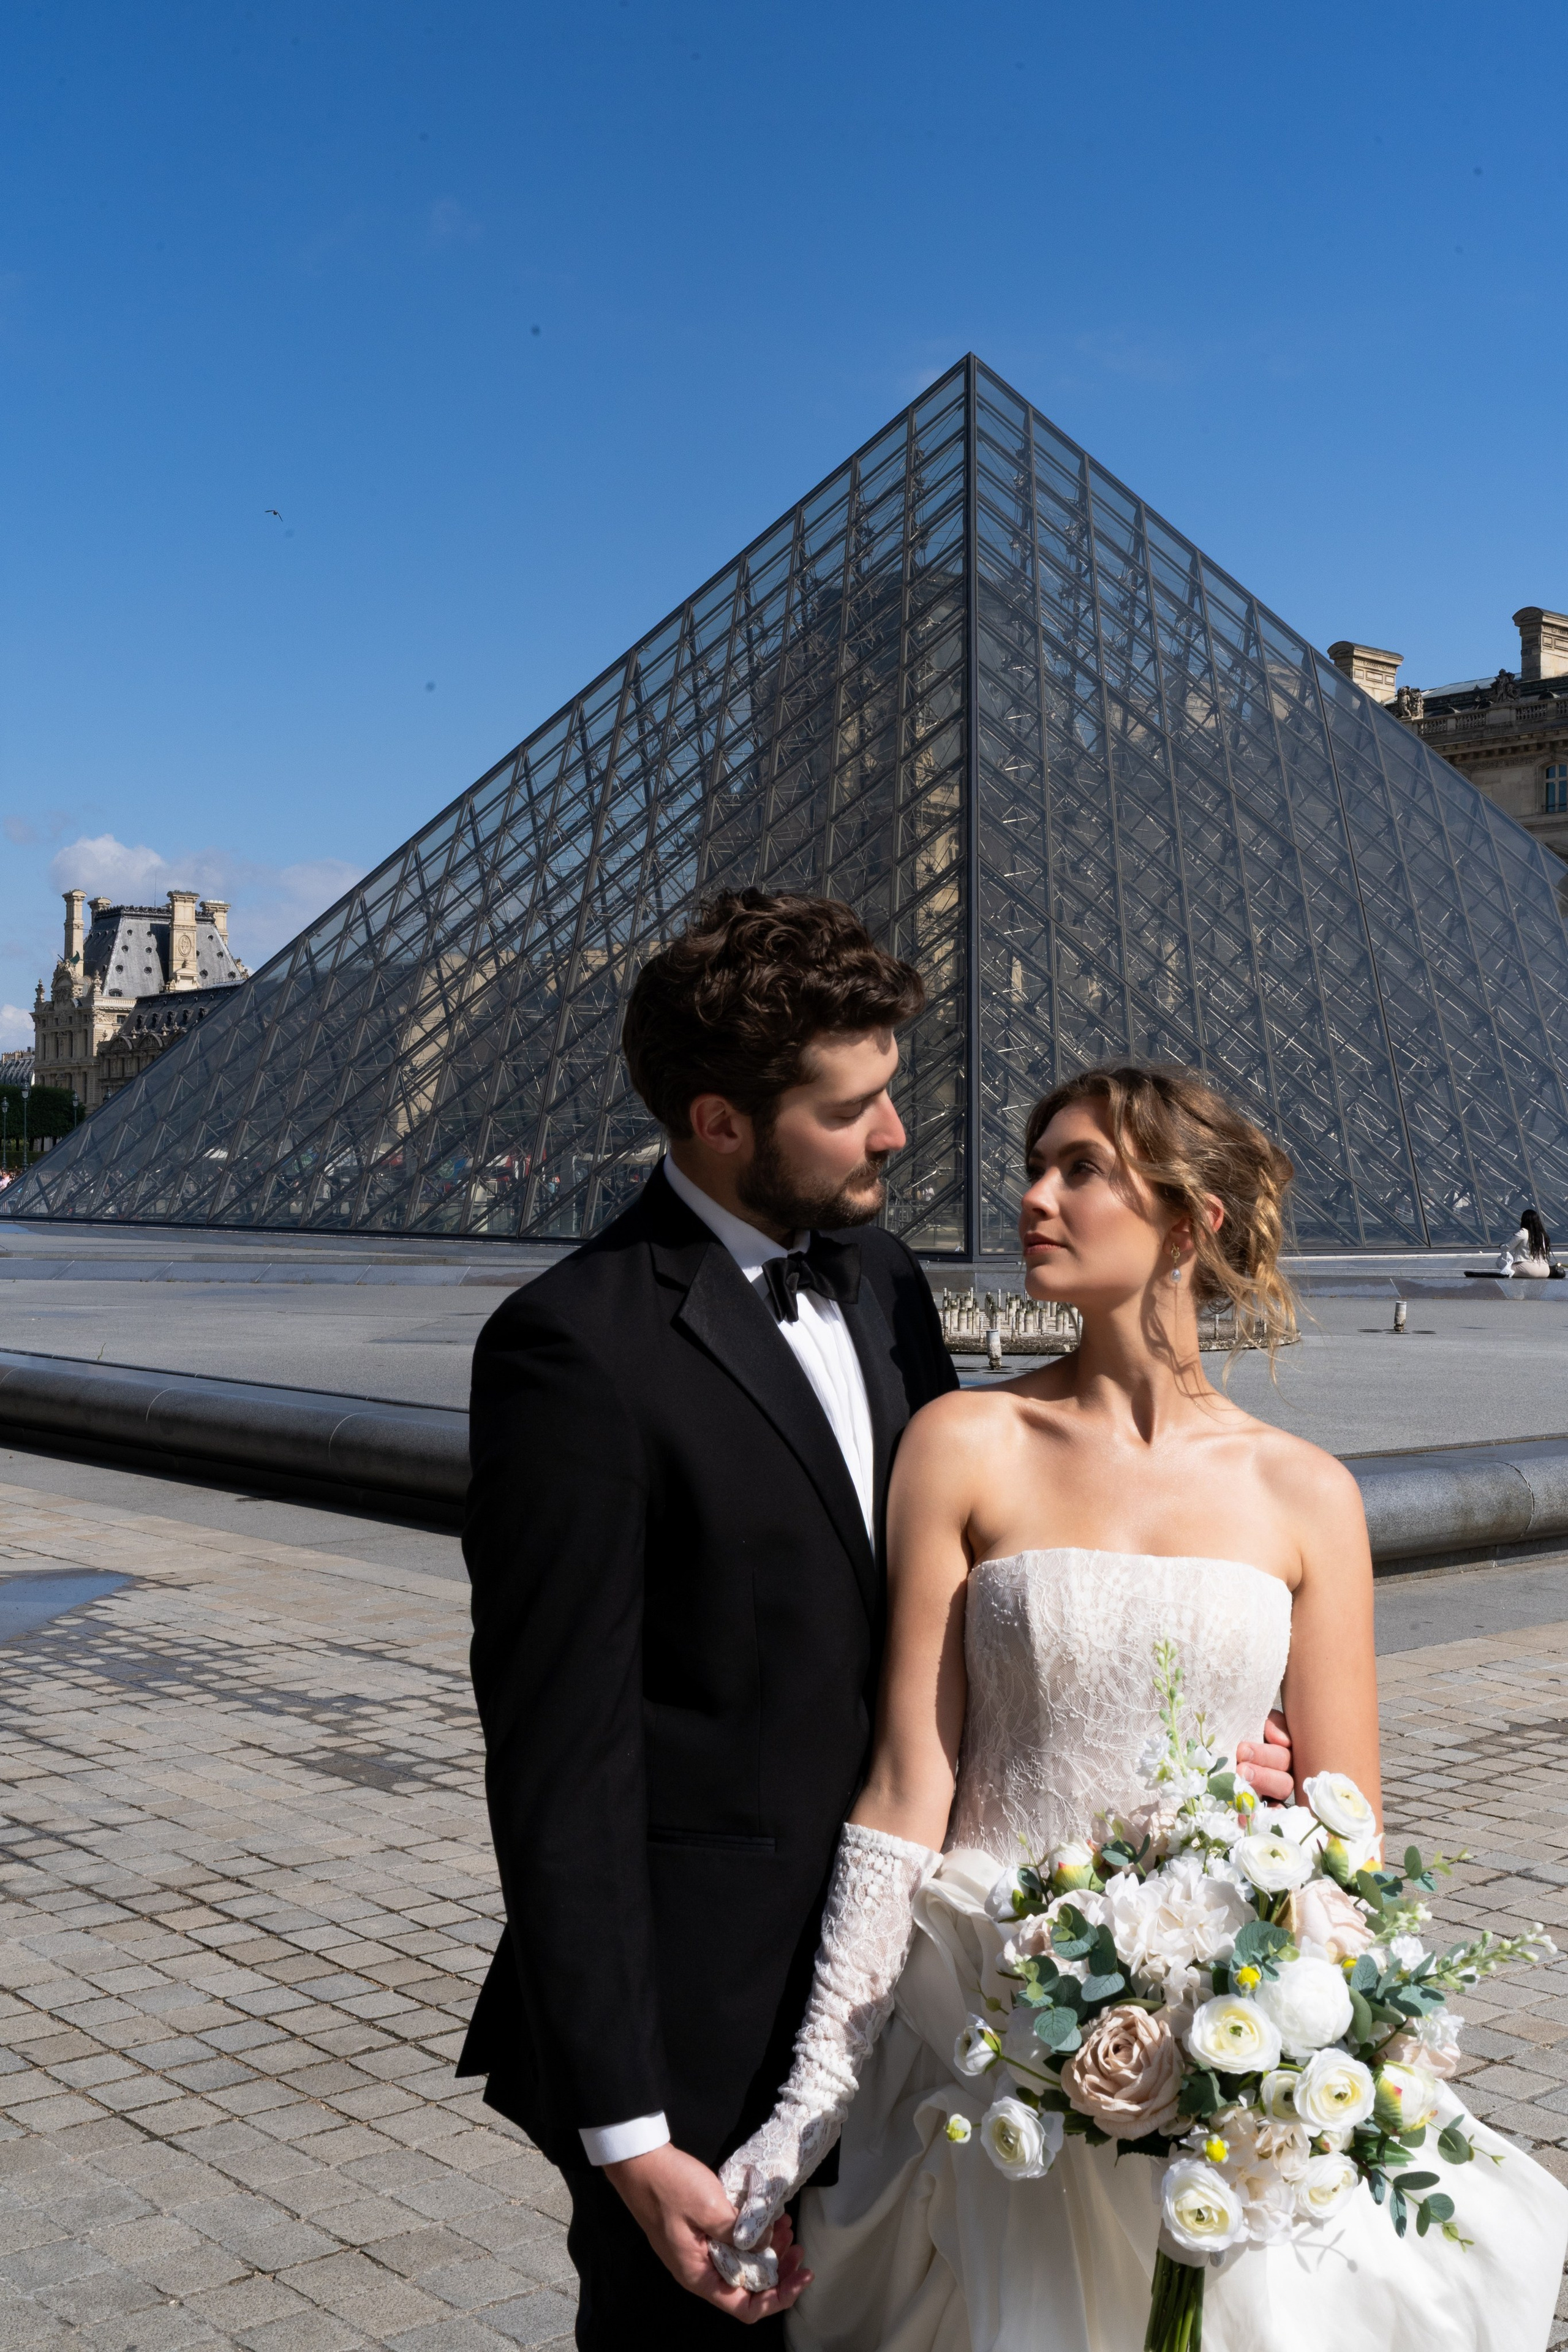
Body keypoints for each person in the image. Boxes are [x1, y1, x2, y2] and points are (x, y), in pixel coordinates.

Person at [459, 903, 1294, 2350]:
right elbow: (557, 1768)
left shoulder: (882, 1280)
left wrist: (1210, 1747)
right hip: (706, 2026)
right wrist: (624, 2126)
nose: (900, 1132)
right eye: (851, 1109)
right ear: (721, 1120)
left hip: (940, 2001)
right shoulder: (571, 1349)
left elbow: (994, 1585)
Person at [717, 1065, 1568, 2350]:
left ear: (1189, 1222)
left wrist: (1317, 2050)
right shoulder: (961, 1442)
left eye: (1079, 1170)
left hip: (1219, 2049)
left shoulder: (1306, 1496)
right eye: (1034, 1165)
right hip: (987, 2032)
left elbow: (1346, 1838)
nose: (1032, 1198)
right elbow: (905, 1789)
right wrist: (809, 2098)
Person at [1495, 1207, 1556, 1278]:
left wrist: (1501, 1246)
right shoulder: (1542, 1235)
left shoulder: (1523, 1233)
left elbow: (1507, 1248)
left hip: (1529, 1270)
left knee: (1506, 1268)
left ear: (1524, 1220)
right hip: (1545, 1271)